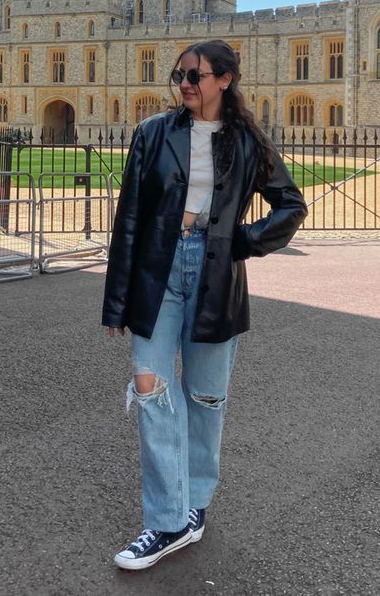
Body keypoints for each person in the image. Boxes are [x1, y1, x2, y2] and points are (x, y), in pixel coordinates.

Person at [102, 39, 307, 571]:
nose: (187, 83)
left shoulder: (246, 141)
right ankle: (166, 521)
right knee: (149, 384)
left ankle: (194, 507)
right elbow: (129, 218)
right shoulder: (153, 133)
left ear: (224, 80)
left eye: (197, 75)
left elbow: (290, 205)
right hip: (158, 270)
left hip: (215, 274)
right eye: (181, 75)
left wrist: (239, 241)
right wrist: (116, 301)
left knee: (206, 398)